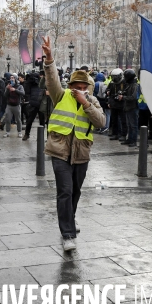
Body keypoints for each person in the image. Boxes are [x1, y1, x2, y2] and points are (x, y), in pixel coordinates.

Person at [41, 36, 105, 252]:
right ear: (71, 86)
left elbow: (101, 122)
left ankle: (71, 218)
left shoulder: (93, 102)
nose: (80, 90)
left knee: (76, 191)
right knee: (65, 191)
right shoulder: (61, 95)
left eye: (83, 87)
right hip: (59, 150)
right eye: (76, 87)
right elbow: (52, 80)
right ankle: (67, 234)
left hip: (81, 153)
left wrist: (85, 103)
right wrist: (49, 58)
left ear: (89, 87)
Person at [119, 69, 139, 147]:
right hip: (128, 107)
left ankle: (133, 141)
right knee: (129, 125)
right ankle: (130, 139)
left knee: (133, 125)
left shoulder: (135, 85)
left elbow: (133, 97)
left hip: (133, 107)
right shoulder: (129, 85)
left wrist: (123, 97)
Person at [2, 73, 25, 138]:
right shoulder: (8, 86)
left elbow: (23, 93)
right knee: (8, 119)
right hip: (9, 105)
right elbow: (5, 96)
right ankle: (7, 132)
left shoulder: (19, 86)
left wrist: (15, 90)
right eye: (11, 78)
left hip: (16, 105)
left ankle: (19, 132)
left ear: (15, 78)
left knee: (18, 119)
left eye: (13, 78)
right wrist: (7, 89)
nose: (11, 79)